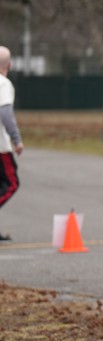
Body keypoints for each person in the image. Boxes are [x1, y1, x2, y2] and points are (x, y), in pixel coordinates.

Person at [0, 46, 24, 242]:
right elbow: (6, 113)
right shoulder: (3, 84)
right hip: (0, 147)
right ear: (10, 65)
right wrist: (16, 139)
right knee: (11, 183)